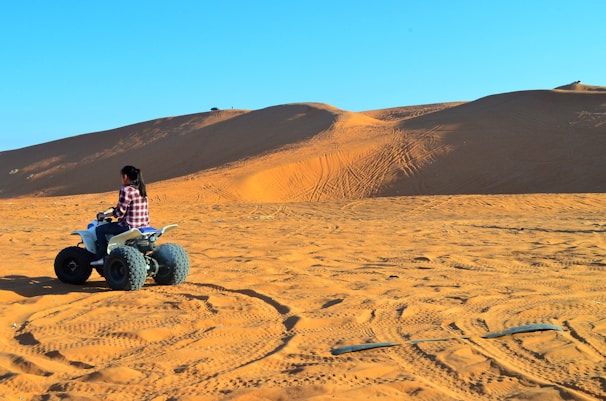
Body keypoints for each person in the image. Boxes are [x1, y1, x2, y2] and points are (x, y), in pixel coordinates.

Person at [92, 165, 150, 265]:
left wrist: (104, 215)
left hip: (129, 226)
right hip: (144, 226)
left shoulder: (126, 190)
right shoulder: (141, 189)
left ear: (125, 176)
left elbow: (119, 212)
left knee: (99, 230)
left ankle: (102, 256)